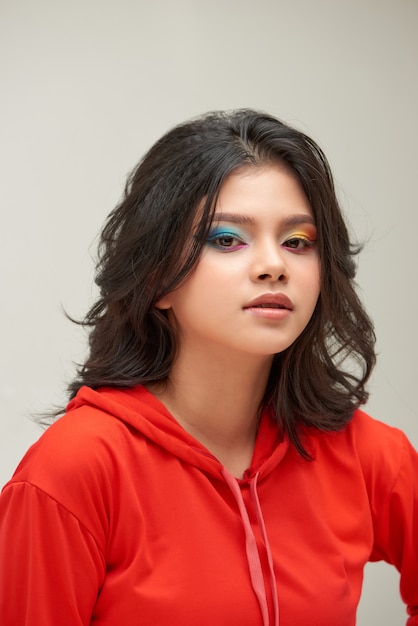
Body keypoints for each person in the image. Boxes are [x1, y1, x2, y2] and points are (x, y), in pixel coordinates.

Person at [0, 109, 417, 626]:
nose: (274, 264)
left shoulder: (363, 455)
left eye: (297, 241)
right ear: (159, 278)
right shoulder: (73, 472)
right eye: (226, 239)